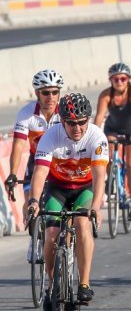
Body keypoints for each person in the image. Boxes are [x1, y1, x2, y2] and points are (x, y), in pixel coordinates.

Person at [27, 93, 107, 311]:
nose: (77, 128)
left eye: (82, 122)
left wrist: (96, 207)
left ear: (88, 120)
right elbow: (40, 172)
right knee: (51, 234)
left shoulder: (97, 137)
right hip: (57, 189)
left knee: (82, 225)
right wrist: (33, 201)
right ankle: (53, 284)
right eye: (71, 123)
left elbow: (100, 175)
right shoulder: (50, 136)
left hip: (84, 189)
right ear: (62, 121)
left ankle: (84, 284)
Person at [6, 70, 63, 263]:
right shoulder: (26, 113)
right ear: (37, 93)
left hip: (61, 164)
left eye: (55, 92)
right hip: (37, 162)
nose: (51, 97)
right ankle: (34, 236)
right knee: (31, 198)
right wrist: (13, 173)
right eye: (46, 92)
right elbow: (18, 145)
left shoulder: (64, 111)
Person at [93, 63, 131, 221]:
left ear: (128, 80)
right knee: (105, 158)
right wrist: (93, 135)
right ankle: (112, 184)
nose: (119, 82)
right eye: (116, 79)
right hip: (112, 129)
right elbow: (99, 117)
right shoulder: (106, 95)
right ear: (111, 81)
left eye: (123, 79)